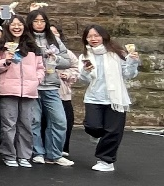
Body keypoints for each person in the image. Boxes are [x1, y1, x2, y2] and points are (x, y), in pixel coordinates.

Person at [78, 25, 140, 172]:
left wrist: (133, 62)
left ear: (103, 36)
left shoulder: (117, 54)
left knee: (113, 131)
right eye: (90, 36)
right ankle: (99, 137)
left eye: (96, 35)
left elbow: (129, 74)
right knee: (92, 126)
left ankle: (106, 161)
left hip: (115, 98)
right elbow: (83, 80)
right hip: (94, 97)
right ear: (85, 39)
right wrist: (86, 72)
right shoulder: (84, 57)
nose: (93, 39)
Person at [0, 15, 44, 168]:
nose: (16, 27)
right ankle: (9, 155)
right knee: (9, 125)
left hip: (29, 91)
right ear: (8, 27)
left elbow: (41, 68)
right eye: (13, 24)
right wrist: (6, 61)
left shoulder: (33, 47)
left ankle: (24, 155)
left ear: (24, 27)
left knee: (26, 124)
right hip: (7, 90)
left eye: (20, 24)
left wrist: (37, 80)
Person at [28, 10, 75, 166]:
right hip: (33, 85)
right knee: (34, 121)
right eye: (36, 21)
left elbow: (67, 61)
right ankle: (37, 152)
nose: (39, 24)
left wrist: (55, 58)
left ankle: (54, 154)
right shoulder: (26, 38)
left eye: (42, 21)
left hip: (51, 85)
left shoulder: (53, 39)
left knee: (60, 120)